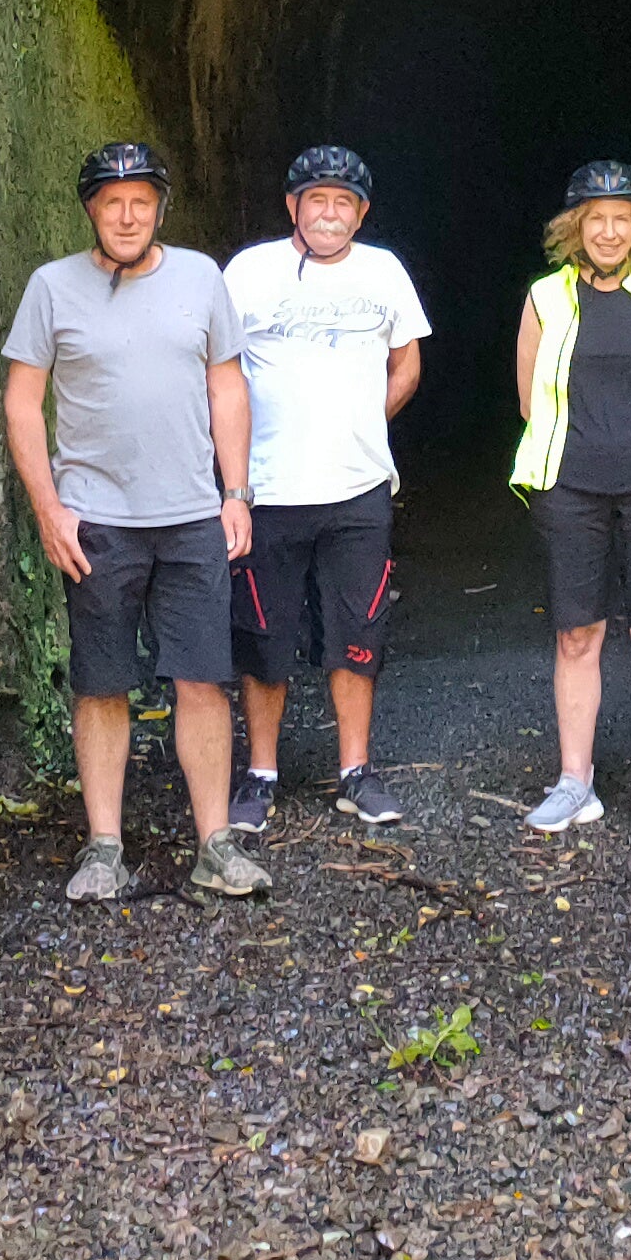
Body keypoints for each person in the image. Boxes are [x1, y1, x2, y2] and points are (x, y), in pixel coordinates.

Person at [1, 140, 271, 906]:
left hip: (190, 515)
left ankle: (215, 845)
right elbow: (23, 402)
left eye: (141, 201)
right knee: (101, 683)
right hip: (98, 522)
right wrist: (49, 507)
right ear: (91, 209)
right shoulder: (52, 288)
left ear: (160, 208)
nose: (127, 215)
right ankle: (104, 848)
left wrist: (236, 491)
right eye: (112, 202)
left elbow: (226, 389)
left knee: (203, 680)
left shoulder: (200, 278)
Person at [222, 144, 431, 833]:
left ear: (361, 213)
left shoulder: (384, 272)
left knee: (357, 631)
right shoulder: (249, 272)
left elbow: (407, 361)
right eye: (318, 200)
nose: (331, 214)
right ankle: (260, 774)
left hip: (358, 487)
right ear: (293, 206)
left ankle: (355, 772)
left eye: (344, 203)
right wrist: (232, 475)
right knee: (263, 635)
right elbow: (218, 370)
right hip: (268, 487)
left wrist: (368, 422)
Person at [509, 160, 631, 845]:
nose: (610, 231)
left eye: (623, 219)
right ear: (576, 229)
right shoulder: (545, 298)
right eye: (597, 219)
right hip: (570, 485)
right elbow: (529, 392)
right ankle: (574, 782)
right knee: (576, 635)